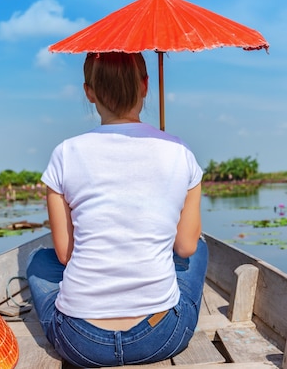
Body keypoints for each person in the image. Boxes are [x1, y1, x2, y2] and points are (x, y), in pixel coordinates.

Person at [26, 52, 208, 367]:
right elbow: (185, 246)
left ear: (89, 91)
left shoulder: (64, 154)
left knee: (38, 261)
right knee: (200, 249)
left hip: (80, 340)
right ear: (145, 86)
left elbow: (65, 256)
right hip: (159, 335)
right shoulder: (180, 152)